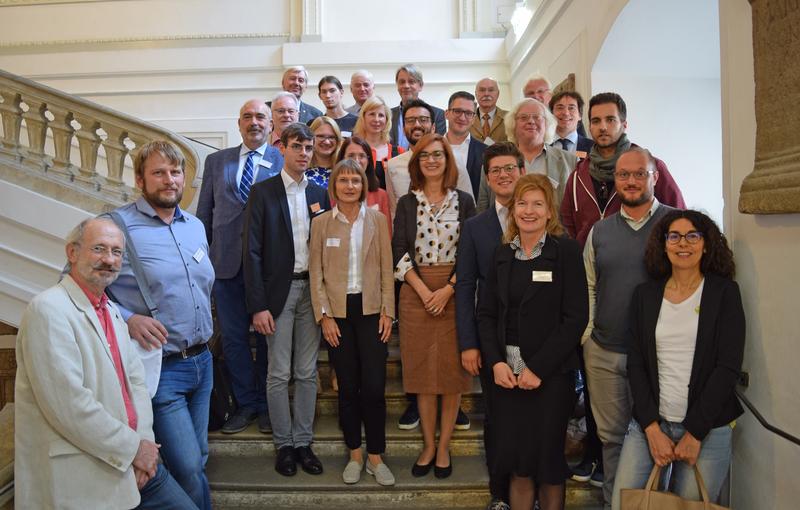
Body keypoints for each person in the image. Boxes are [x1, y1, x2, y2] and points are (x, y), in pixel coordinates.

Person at [15, 218, 198, 510]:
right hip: (84, 467)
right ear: (72, 253)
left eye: (116, 252)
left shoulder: (110, 310)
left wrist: (145, 447)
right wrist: (134, 449)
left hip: (131, 458)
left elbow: (137, 383)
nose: (109, 260)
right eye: (98, 249)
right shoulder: (48, 310)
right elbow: (69, 406)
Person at [105, 140, 215, 510]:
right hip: (160, 368)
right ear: (140, 179)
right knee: (185, 465)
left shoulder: (195, 226)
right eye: (158, 172)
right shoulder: (116, 226)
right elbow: (74, 285)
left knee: (197, 458)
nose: (169, 180)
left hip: (203, 363)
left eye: (175, 172)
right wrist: (128, 318)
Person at [611, 210, 744, 509]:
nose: (683, 243)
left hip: (707, 428)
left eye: (692, 235)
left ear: (706, 244)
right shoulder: (645, 295)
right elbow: (636, 363)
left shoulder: (724, 294)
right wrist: (651, 428)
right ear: (664, 244)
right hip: (650, 423)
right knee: (624, 503)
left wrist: (695, 432)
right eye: (674, 236)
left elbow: (728, 367)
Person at [477, 173, 588, 510]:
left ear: (549, 212)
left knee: (549, 465)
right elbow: (486, 316)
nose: (528, 210)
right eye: (522, 203)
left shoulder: (566, 252)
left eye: (537, 204)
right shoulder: (502, 255)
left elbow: (575, 319)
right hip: (506, 378)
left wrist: (538, 368)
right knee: (518, 464)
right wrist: (496, 362)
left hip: (551, 377)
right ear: (513, 211)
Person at [582, 147, 676, 507]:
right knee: (612, 440)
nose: (632, 181)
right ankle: (614, 504)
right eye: (624, 175)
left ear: (655, 177)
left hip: (659, 359)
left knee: (657, 438)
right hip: (605, 352)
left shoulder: (677, 225)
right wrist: (588, 337)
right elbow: (590, 285)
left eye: (640, 173)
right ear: (614, 180)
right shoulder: (600, 231)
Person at [243, 123, 330, 477]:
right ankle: (284, 445)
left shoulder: (320, 193)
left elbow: (326, 247)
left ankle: (304, 442)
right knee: (278, 372)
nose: (304, 153)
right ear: (282, 148)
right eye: (297, 146)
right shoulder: (263, 192)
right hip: (277, 295)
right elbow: (251, 252)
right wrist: (257, 305)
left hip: (313, 291)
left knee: (307, 372)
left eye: (309, 147)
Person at [196, 99, 283, 435]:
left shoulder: (281, 158)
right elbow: (205, 214)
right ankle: (246, 404)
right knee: (233, 339)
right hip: (226, 267)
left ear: (270, 124)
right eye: (247, 116)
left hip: (267, 268)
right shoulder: (217, 161)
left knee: (266, 340)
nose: (254, 122)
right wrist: (204, 264)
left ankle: (266, 404)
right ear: (239, 123)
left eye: (260, 116)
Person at [392, 133, 476, 479]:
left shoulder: (466, 201)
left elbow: (471, 254)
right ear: (417, 162)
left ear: (447, 160)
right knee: (423, 377)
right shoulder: (406, 204)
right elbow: (398, 249)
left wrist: (447, 290)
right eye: (424, 155)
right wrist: (424, 291)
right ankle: (428, 444)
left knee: (452, 375)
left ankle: (444, 448)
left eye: (438, 154)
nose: (431, 160)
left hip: (454, 293)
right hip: (415, 294)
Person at [309, 159, 397, 487]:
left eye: (355, 180)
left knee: (374, 388)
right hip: (338, 315)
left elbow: (387, 269)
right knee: (347, 389)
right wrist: (324, 316)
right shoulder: (321, 223)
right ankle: (355, 454)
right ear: (334, 186)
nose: (349, 186)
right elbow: (315, 273)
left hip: (373, 310)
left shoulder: (376, 219)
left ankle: (376, 456)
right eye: (343, 180)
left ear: (363, 185)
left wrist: (388, 310)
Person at [455, 142, 524, 510]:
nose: (503, 175)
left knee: (535, 419)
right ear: (487, 177)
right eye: (495, 170)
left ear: (522, 171)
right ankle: (500, 493)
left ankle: (532, 489)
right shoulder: (476, 226)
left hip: (536, 337)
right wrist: (469, 343)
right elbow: (465, 287)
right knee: (498, 420)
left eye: (509, 168)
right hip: (492, 336)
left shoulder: (542, 216)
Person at [560, 92, 686, 246]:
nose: (603, 127)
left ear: (624, 124)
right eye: (596, 121)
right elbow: (567, 225)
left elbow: (679, 217)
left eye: (610, 120)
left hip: (640, 262)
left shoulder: (649, 168)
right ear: (590, 127)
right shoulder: (578, 175)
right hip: (589, 263)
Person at [477, 98, 576, 211]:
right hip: (504, 227)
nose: (531, 121)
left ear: (547, 124)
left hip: (554, 227)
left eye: (537, 117)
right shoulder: (493, 160)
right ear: (513, 124)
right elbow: (483, 207)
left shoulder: (570, 161)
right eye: (524, 117)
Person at [386, 98, 473, 218]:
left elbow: (469, 207)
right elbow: (394, 212)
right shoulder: (393, 165)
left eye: (423, 120)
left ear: (433, 127)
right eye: (410, 120)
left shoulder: (453, 159)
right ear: (403, 128)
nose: (417, 124)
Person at [336, 136, 392, 231]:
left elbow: (387, 234)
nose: (357, 160)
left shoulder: (381, 196)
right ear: (342, 159)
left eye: (362, 156)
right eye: (351, 155)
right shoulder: (333, 194)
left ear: (368, 160)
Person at [390, 64, 447, 149]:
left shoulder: (438, 114)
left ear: (420, 86)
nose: (406, 86)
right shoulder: (387, 115)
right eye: (402, 82)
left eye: (411, 81)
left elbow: (438, 146)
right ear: (397, 86)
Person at [353, 95, 404, 189]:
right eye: (372, 114)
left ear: (387, 120)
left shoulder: (399, 152)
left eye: (381, 115)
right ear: (363, 117)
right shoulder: (353, 149)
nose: (376, 119)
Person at [445, 91, 487, 198]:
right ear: (446, 114)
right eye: (457, 111)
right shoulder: (432, 149)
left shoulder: (486, 152)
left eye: (468, 113)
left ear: (473, 119)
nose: (462, 118)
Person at [549, 91, 593, 157]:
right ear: (551, 114)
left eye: (571, 108)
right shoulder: (541, 146)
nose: (566, 113)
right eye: (560, 108)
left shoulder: (593, 147)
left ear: (580, 115)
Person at [306, 116, 343, 188]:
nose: (327, 142)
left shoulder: (345, 169)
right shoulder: (300, 169)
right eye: (321, 136)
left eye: (331, 137)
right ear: (310, 137)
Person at [470, 77, 508, 144]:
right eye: (482, 90)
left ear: (498, 94)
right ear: (476, 94)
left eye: (491, 90)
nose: (486, 94)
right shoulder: (467, 118)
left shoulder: (510, 117)